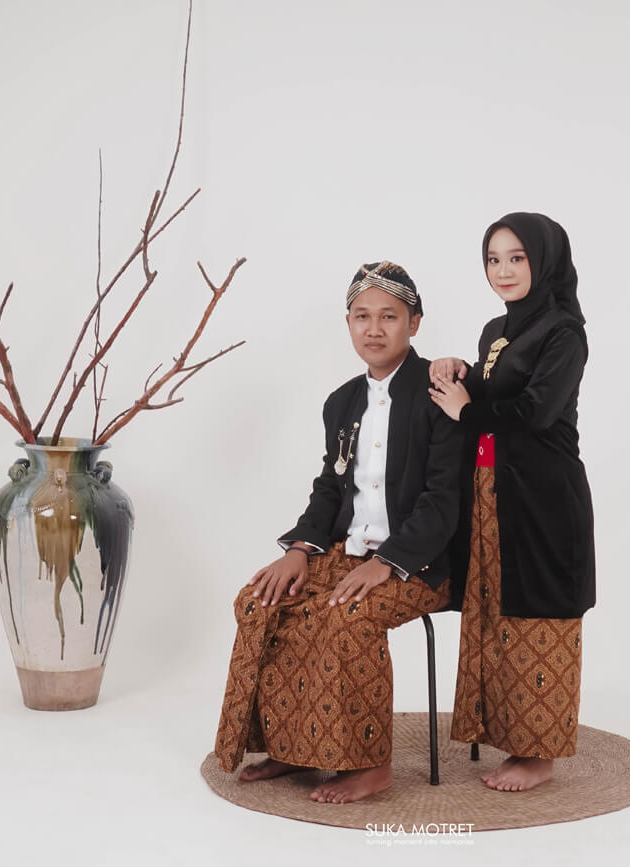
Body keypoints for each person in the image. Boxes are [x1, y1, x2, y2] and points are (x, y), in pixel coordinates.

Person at [212, 261, 462, 804]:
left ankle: (371, 766)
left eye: (389, 316)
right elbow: (330, 486)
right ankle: (290, 746)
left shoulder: (439, 393)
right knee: (260, 603)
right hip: (343, 553)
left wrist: (387, 562)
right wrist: (300, 549)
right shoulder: (341, 402)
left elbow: (444, 501)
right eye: (361, 316)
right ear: (347, 323)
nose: (374, 329)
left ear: (414, 323)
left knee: (347, 618)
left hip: (420, 565)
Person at [428, 212, 596, 792]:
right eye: (493, 259)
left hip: (543, 497)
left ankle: (538, 755)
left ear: (544, 261)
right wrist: (460, 370)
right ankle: (506, 736)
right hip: (493, 492)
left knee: (538, 614)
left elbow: (535, 413)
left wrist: (467, 409)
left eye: (517, 258)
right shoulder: (496, 330)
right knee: (496, 612)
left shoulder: (563, 333)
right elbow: (493, 390)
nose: (503, 270)